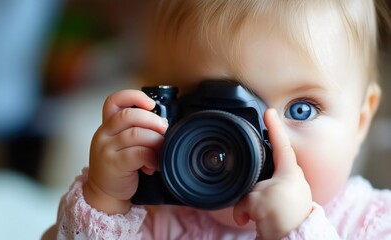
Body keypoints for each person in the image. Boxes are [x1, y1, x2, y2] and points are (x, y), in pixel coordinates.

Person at [43, 0, 391, 239]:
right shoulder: (148, 219)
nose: (259, 143)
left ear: (360, 121)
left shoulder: (371, 223)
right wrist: (104, 200)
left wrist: (298, 230)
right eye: (219, 110)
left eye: (301, 109)